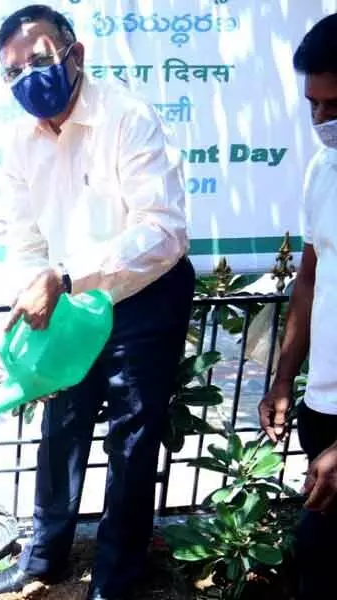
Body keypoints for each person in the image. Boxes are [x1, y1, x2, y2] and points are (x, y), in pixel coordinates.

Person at [0, 6, 195, 599]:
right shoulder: (18, 142)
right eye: (12, 71)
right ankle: (42, 559)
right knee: (61, 426)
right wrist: (32, 295)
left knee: (131, 436)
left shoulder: (129, 118)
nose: (28, 78)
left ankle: (115, 578)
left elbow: (164, 230)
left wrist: (67, 277)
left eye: (39, 60)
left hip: (142, 298)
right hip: (68, 304)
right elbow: (25, 240)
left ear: (77, 54)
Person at [257, 13, 337, 600]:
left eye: (334, 105)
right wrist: (285, 378)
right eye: (313, 105)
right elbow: (309, 278)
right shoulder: (324, 169)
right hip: (324, 407)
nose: (321, 121)